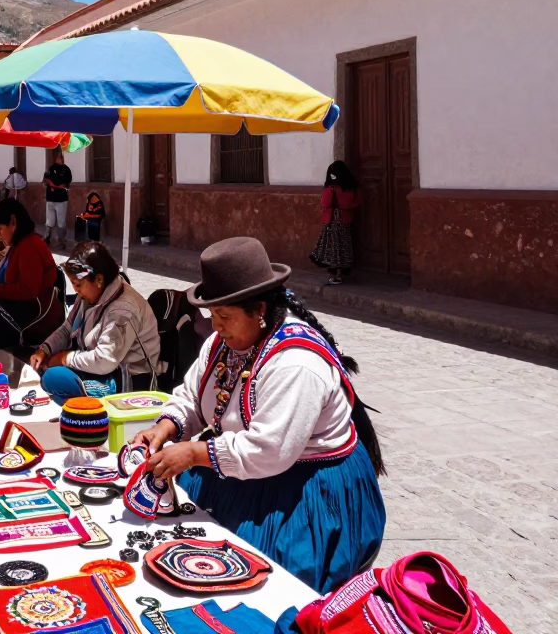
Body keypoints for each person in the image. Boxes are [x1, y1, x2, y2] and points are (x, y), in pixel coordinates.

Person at [131, 236, 386, 593]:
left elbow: (270, 450)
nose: (215, 326)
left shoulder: (297, 363)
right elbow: (192, 394)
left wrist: (192, 453)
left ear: (260, 310)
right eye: (213, 315)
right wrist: (166, 426)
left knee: (260, 580)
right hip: (241, 471)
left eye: (225, 316)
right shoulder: (226, 340)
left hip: (304, 490)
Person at [31, 242, 161, 404]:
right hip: (96, 368)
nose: (75, 290)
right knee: (45, 375)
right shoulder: (89, 293)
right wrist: (45, 349)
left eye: (78, 285)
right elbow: (67, 329)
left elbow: (105, 361)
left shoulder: (123, 311)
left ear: (99, 279)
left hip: (127, 381)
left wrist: (65, 359)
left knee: (53, 378)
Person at [0, 198, 64, 350]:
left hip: (35, 313)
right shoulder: (18, 245)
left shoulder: (30, 246)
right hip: (22, 305)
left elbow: (29, 290)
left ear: (13, 222)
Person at [311, 160, 361, 285]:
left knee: (331, 250)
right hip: (346, 221)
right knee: (344, 247)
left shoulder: (331, 188)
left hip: (332, 222)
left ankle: (333, 277)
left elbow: (325, 203)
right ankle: (342, 274)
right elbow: (357, 202)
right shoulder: (352, 188)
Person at [43, 150, 73, 249]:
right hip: (50, 199)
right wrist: (49, 182)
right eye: (57, 156)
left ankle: (61, 241)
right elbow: (45, 180)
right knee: (49, 221)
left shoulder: (66, 170)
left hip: (61, 200)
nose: (58, 158)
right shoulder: (51, 168)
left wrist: (54, 185)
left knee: (61, 221)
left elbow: (66, 185)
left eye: (59, 156)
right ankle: (47, 238)